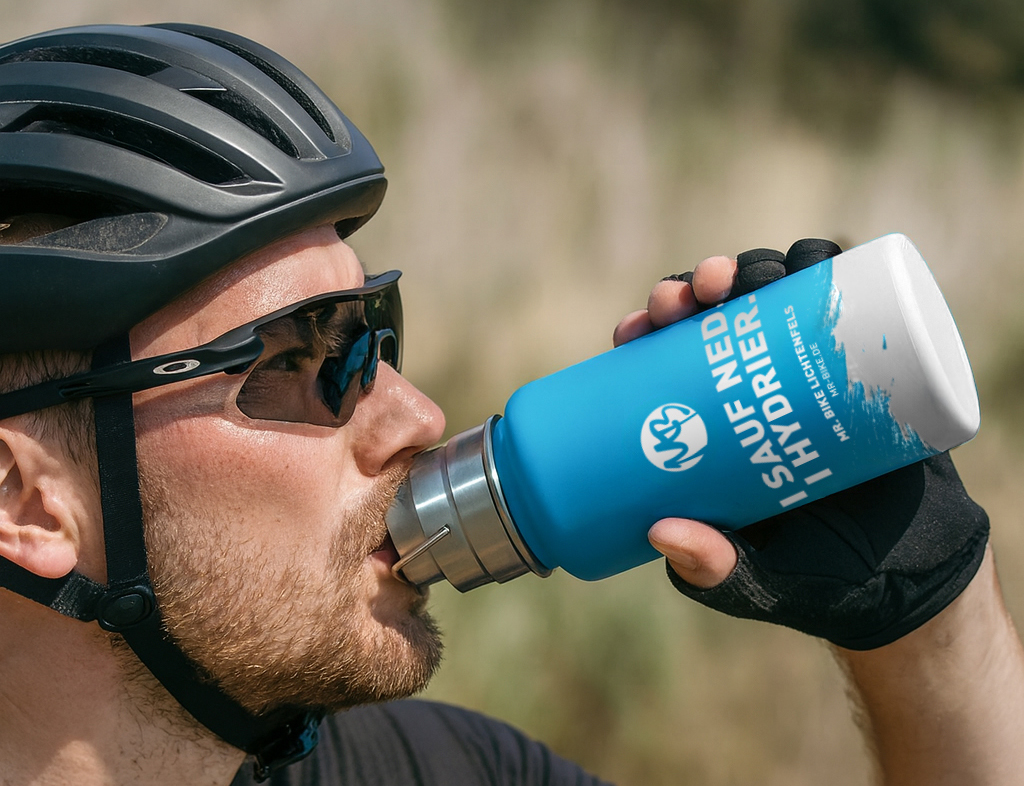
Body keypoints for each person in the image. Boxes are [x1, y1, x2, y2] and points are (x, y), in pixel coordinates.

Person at [0, 23, 1020, 786]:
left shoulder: (444, 771)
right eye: (289, 358)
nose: (415, 413)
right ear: (24, 499)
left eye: (371, 334)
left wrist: (920, 616)